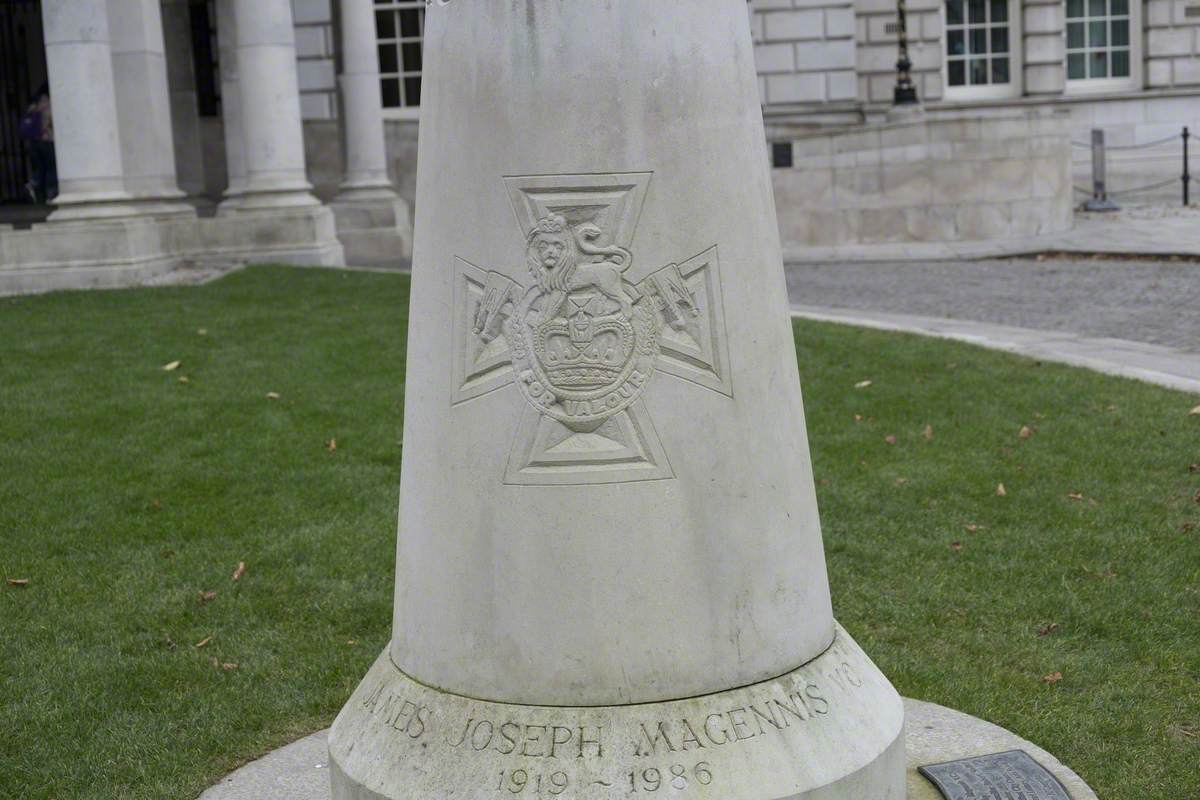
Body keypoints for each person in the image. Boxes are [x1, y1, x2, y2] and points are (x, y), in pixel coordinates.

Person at [19, 83, 56, 204]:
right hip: (46, 141)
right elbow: (48, 123)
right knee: (50, 168)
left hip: (33, 143)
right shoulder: (48, 105)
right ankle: (51, 195)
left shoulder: (33, 107)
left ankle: (31, 185)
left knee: (38, 169)